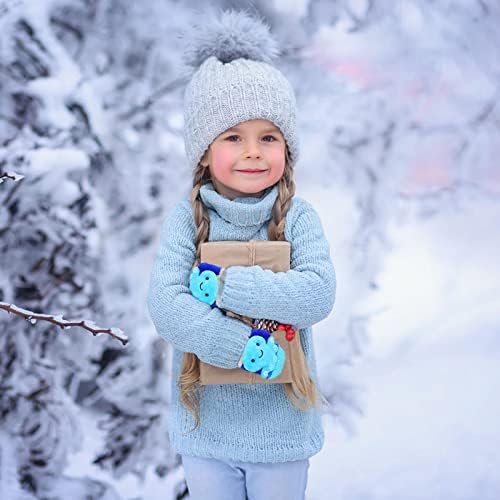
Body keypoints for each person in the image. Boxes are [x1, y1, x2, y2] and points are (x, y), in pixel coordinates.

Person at [146, 9, 336, 500]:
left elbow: (316, 294)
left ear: (286, 149)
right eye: (234, 137)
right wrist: (235, 346)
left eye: (268, 137)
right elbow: (167, 304)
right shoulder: (187, 219)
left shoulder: (298, 216)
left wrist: (231, 284)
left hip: (281, 431)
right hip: (206, 429)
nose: (253, 152)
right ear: (204, 151)